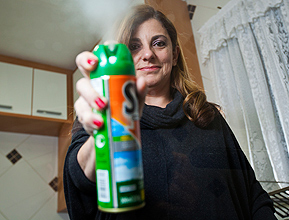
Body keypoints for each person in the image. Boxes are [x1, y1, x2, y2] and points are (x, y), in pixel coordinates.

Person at [63, 4, 277, 220]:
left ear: (174, 55)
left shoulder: (207, 115)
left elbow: (252, 193)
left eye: (158, 43)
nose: (148, 54)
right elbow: (78, 180)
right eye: (134, 46)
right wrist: (108, 127)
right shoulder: (105, 117)